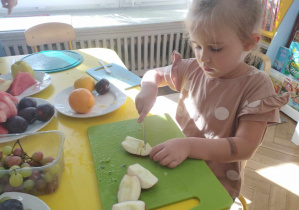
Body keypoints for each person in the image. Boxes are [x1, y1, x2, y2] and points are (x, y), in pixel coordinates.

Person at [135, 0, 289, 200]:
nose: (203, 58)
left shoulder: (257, 86)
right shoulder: (191, 69)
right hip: (176, 162)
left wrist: (189, 146)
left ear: (248, 43)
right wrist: (148, 88)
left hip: (216, 181)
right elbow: (153, 74)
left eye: (215, 49)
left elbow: (245, 146)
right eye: (197, 46)